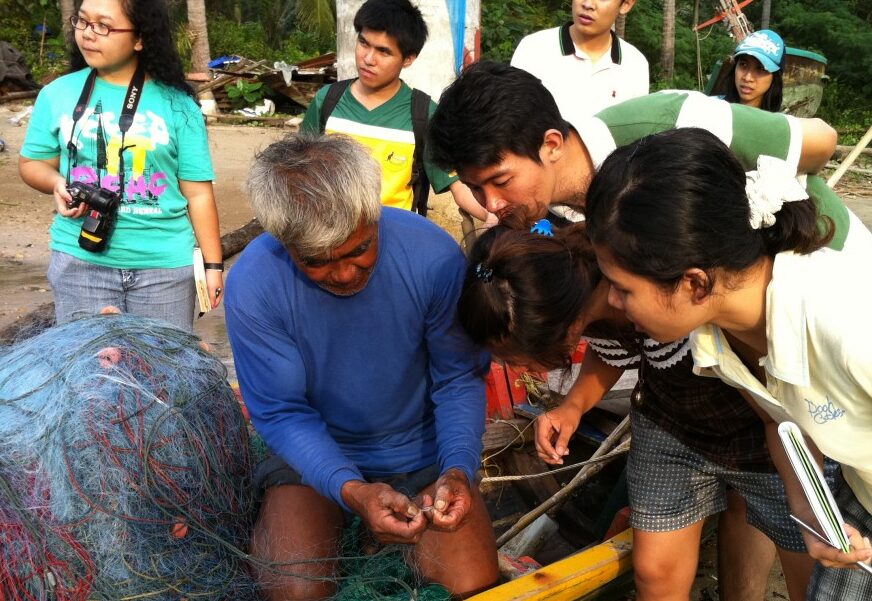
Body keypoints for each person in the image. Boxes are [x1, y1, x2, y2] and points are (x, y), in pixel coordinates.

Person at [457, 218, 815, 600]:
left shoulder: (653, 281)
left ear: (559, 324)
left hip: (756, 429)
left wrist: (803, 492)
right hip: (669, 424)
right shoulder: (584, 303)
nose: (524, 372)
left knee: (805, 557)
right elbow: (611, 348)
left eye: (523, 360)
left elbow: (768, 401)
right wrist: (572, 408)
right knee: (655, 573)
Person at [585, 127, 872, 599]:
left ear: (694, 283)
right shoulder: (716, 335)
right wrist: (811, 512)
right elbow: (779, 424)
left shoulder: (844, 321)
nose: (612, 302)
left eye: (623, 287)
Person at [224, 134, 498, 600]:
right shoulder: (254, 283)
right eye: (316, 262)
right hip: (310, 459)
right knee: (293, 591)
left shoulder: (431, 255)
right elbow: (282, 413)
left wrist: (457, 469)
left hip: (420, 452)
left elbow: (457, 379)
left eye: (359, 249)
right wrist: (350, 489)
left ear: (373, 214)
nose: (346, 273)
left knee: (473, 585)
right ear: (284, 244)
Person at [427, 61, 847, 243]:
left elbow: (821, 140)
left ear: (551, 144)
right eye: (475, 189)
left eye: (500, 182)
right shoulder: (564, 214)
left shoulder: (669, 123)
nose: (491, 205)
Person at [19, 0, 222, 331]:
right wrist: (56, 183)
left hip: (165, 268)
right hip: (80, 259)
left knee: (161, 377)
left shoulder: (179, 104)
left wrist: (213, 266)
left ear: (140, 38)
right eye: (82, 22)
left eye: (104, 26)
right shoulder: (57, 94)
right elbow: (32, 163)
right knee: (89, 379)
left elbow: (198, 194)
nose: (88, 34)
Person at [300, 0, 494, 225]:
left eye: (383, 51)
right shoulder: (328, 100)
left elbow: (458, 186)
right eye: (363, 43)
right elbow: (299, 169)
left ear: (408, 59)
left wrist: (494, 217)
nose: (368, 59)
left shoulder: (422, 113)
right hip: (327, 235)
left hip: (395, 239)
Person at [511, 0, 649, 119]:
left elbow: (634, 134)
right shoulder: (535, 48)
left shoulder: (635, 64)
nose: (588, 4)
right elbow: (512, 118)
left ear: (626, 4)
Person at [722, 29, 785, 112]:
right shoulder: (713, 109)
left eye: (761, 69)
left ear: (775, 77)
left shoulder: (779, 123)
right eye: (743, 65)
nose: (747, 78)